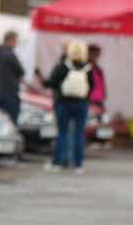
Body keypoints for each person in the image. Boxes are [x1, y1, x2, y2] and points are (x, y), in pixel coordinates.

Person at [45, 41, 93, 173]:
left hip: (64, 103)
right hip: (81, 104)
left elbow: (52, 83)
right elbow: (92, 86)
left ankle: (57, 163)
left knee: (62, 133)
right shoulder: (88, 68)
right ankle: (78, 165)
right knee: (79, 134)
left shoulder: (63, 66)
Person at [0, 30, 25, 125]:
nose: (16, 43)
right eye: (15, 40)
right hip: (9, 94)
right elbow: (21, 71)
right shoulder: (10, 54)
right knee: (11, 123)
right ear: (10, 40)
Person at [87, 44, 107, 112]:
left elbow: (101, 85)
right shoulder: (85, 68)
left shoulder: (98, 69)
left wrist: (103, 95)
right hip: (89, 101)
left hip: (99, 100)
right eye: (94, 54)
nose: (96, 57)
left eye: (98, 54)